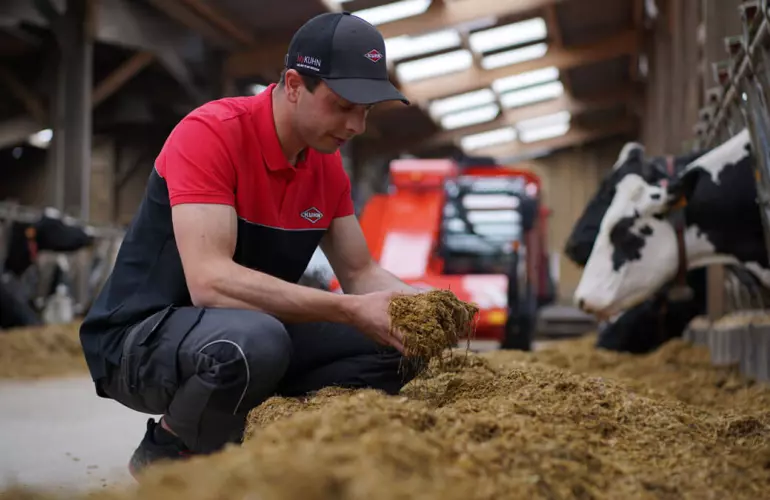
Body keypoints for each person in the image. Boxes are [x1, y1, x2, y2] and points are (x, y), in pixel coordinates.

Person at [79, 11, 423, 478]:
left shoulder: (326, 167)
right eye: (344, 105)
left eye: (365, 110)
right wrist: (346, 309)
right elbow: (210, 283)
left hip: (251, 332)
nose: (357, 125)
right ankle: (170, 446)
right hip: (140, 340)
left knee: (396, 346)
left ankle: (270, 436)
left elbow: (361, 273)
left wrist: (428, 309)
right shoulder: (211, 134)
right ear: (295, 84)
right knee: (254, 342)